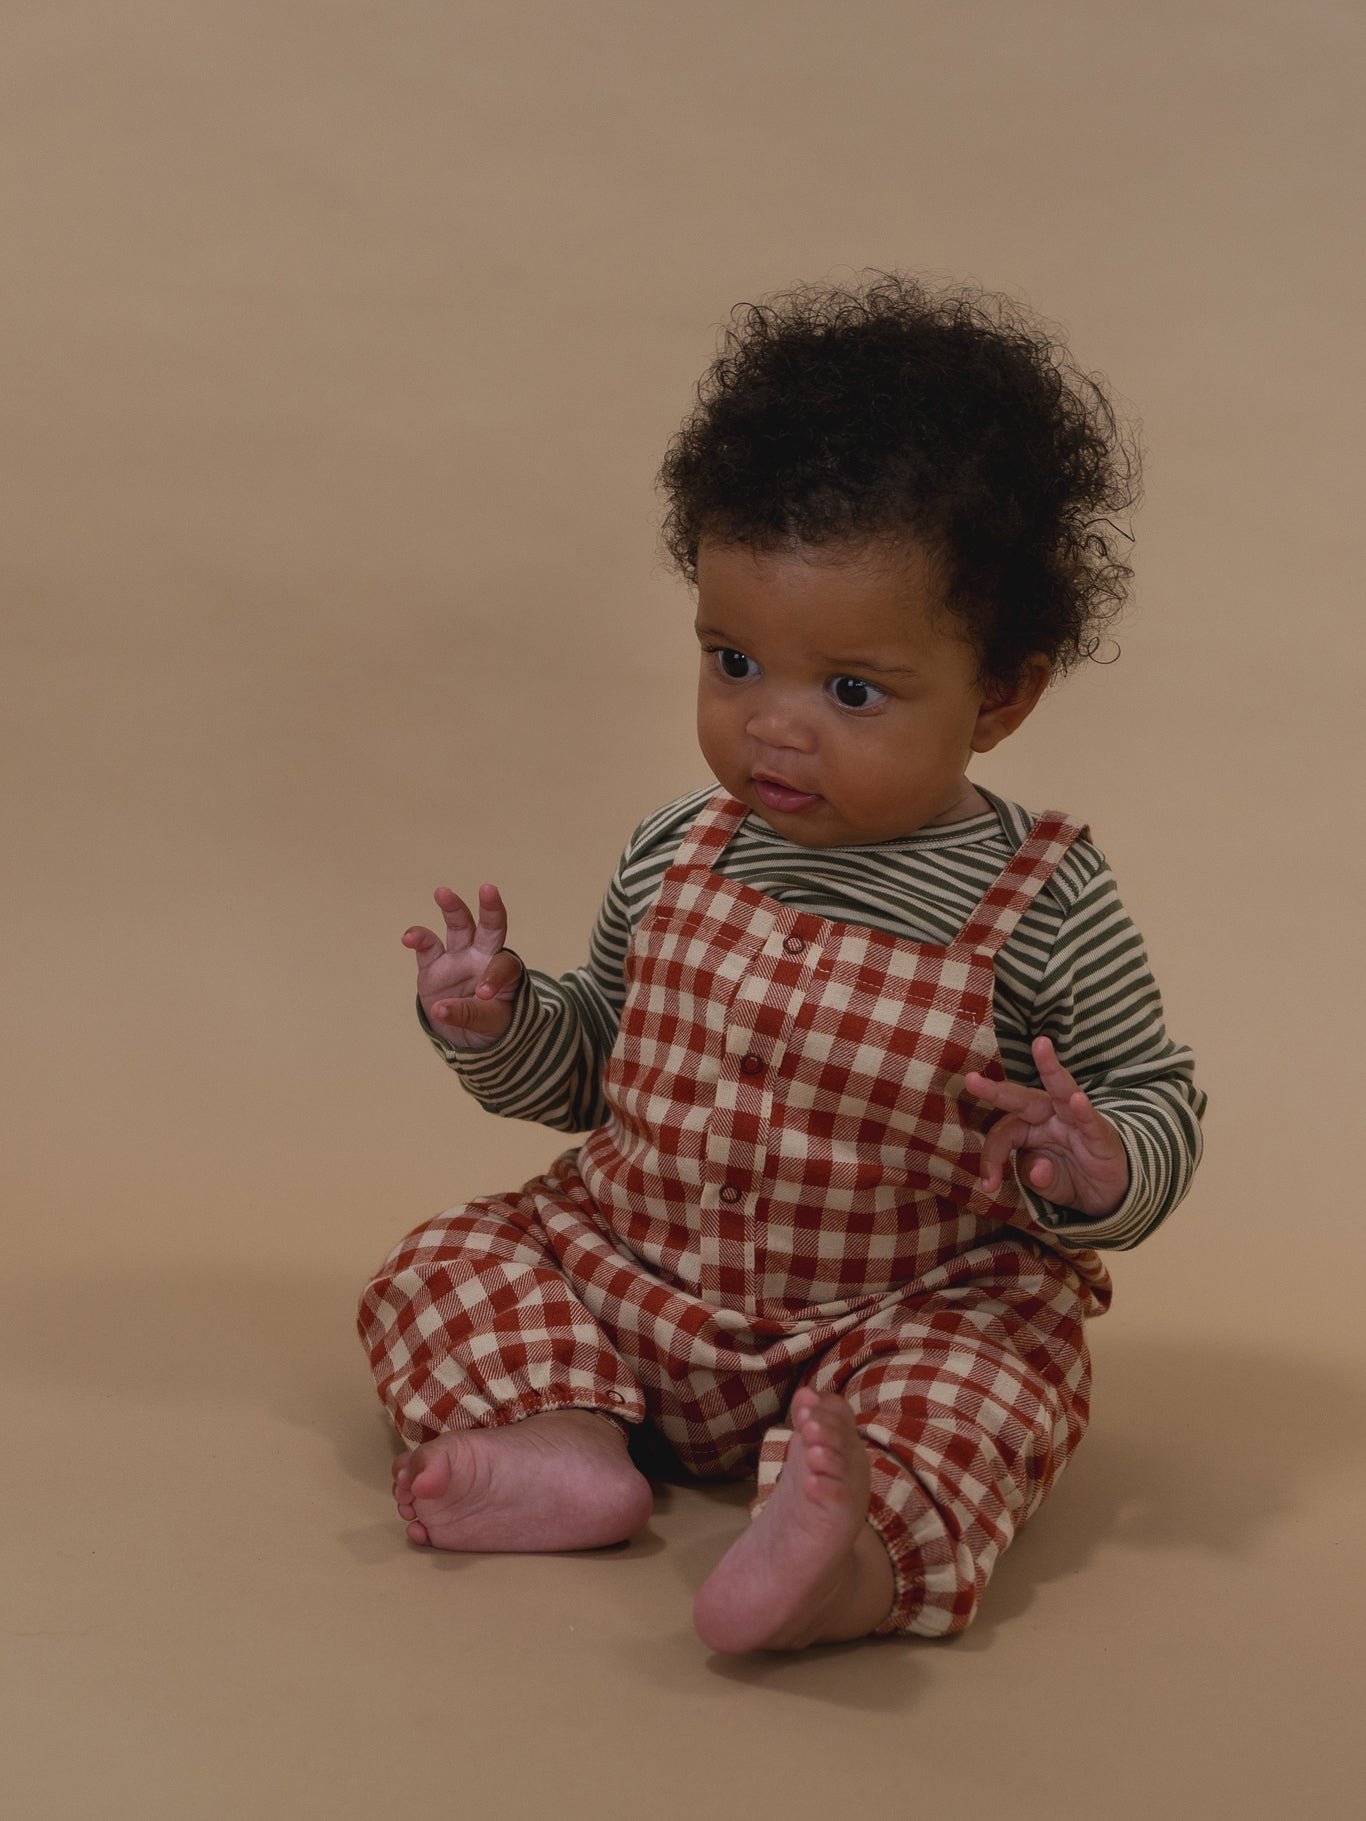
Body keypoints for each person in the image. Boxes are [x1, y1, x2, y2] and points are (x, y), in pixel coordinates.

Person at [357, 274, 1205, 1652]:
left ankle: (851, 1552)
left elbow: (1150, 1091)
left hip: (889, 1315)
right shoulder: (679, 847)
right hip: (628, 1276)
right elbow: (594, 1073)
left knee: (1000, 1370)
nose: (772, 727)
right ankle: (562, 1440)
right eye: (734, 660)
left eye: (850, 689)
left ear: (1000, 693)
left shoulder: (1040, 899)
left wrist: (1102, 1164)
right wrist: (501, 1023)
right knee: (448, 1256)